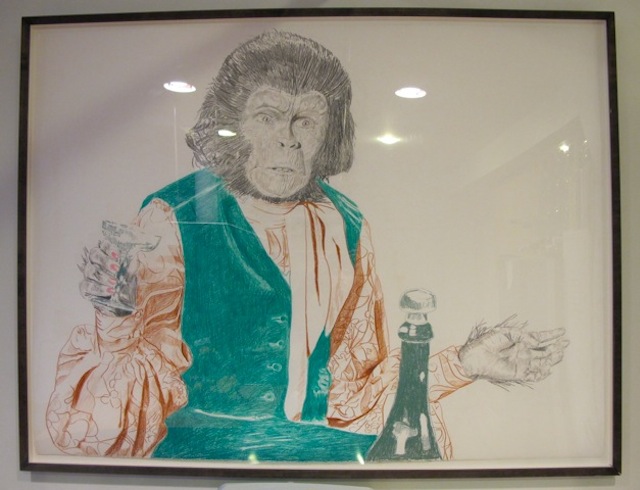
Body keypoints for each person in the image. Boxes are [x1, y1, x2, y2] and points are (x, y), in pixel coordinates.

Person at [46, 31, 568, 462]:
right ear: (233, 126)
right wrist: (115, 324)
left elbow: (356, 389)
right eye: (267, 117)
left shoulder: (346, 223)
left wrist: (465, 362)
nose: (289, 139)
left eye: (306, 121)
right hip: (203, 459)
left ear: (328, 134)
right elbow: (109, 423)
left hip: (322, 453)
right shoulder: (172, 216)